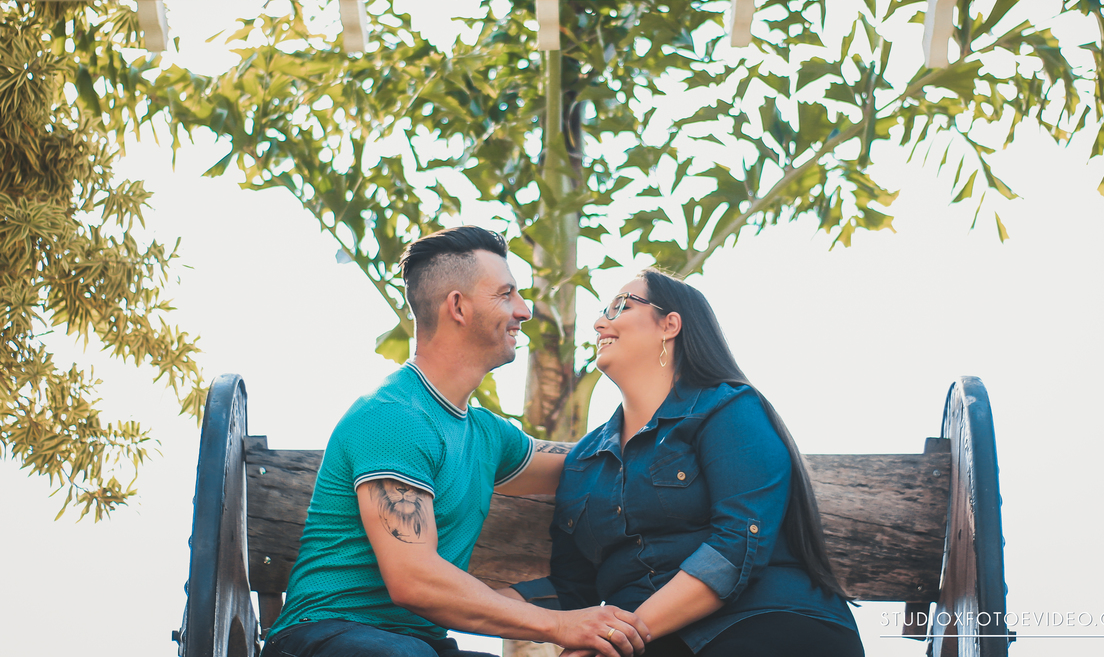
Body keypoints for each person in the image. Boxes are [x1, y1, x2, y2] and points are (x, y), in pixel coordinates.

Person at [263, 226, 650, 657]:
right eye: (506, 294)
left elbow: (588, 461)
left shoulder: (487, 434)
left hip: (419, 645)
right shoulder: (394, 415)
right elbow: (414, 581)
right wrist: (560, 625)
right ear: (458, 307)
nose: (523, 310)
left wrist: (670, 415)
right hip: (324, 636)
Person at [537, 268, 864, 657]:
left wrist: (616, 638)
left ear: (670, 325)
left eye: (621, 305)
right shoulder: (583, 461)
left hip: (765, 621)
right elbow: (571, 589)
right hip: (648, 643)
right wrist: (474, 605)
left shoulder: (728, 409)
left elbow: (735, 547)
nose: (599, 323)